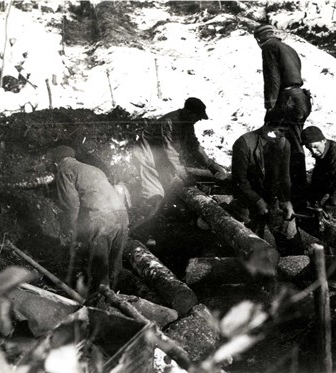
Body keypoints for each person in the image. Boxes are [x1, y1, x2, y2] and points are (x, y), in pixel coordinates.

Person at [132, 97, 229, 235]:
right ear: (189, 112)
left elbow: (194, 146)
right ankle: (131, 230)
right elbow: (171, 152)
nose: (199, 120)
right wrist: (184, 175)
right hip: (145, 157)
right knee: (154, 195)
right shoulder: (170, 122)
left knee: (170, 189)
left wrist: (211, 165)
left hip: (159, 158)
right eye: (198, 117)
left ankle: (155, 225)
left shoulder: (187, 123)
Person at [51, 145, 129, 296]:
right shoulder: (93, 168)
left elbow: (71, 204)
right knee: (115, 261)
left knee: (99, 264)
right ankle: (119, 299)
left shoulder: (64, 170)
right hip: (121, 213)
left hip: (102, 216)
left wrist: (73, 228)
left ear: (56, 162)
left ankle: (100, 301)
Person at [254, 24, 312, 211]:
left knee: (272, 139)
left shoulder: (269, 48)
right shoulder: (289, 48)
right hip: (301, 99)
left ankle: (283, 193)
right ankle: (296, 193)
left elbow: (272, 78)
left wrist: (269, 104)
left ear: (259, 39)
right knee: (293, 143)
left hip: (287, 101)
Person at [231, 119, 300, 254]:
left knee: (288, 232)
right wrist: (257, 201)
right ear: (267, 125)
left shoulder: (284, 143)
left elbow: (284, 175)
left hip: (272, 195)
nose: (282, 135)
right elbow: (240, 180)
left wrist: (286, 200)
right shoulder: (244, 143)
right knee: (250, 238)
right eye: (279, 131)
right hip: (248, 196)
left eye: (285, 132)